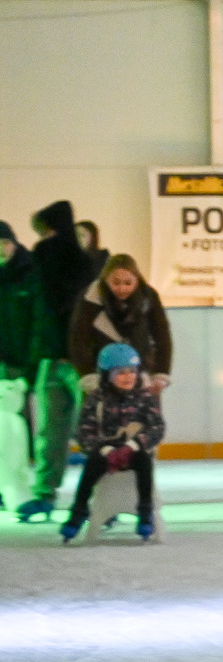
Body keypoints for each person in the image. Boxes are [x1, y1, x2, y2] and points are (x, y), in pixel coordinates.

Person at [19, 201, 97, 521]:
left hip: (80, 362)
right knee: (50, 433)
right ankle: (44, 494)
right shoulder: (43, 264)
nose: (43, 239)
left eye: (47, 232)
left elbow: (68, 307)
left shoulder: (81, 266)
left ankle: (99, 496)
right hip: (50, 359)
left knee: (91, 432)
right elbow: (36, 316)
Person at [60, 341, 164, 544]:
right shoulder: (97, 399)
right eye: (121, 373)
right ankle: (79, 509)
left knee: (144, 462)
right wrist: (104, 449)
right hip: (105, 452)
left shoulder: (144, 397)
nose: (128, 377)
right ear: (107, 375)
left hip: (135, 451)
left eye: (132, 372)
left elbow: (157, 426)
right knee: (91, 465)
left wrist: (134, 445)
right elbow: (84, 431)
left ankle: (145, 509)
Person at [70, 254, 172, 392]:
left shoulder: (148, 297)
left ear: (137, 280)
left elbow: (162, 336)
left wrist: (161, 374)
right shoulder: (91, 299)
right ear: (106, 279)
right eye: (116, 283)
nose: (122, 289)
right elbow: (79, 339)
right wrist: (87, 374)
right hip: (102, 375)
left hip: (141, 373)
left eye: (128, 283)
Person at [0, 221, 38, 511]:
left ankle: (17, 482)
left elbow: (36, 321)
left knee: (17, 428)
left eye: (5, 242)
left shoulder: (28, 272)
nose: (2, 249)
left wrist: (30, 361)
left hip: (17, 360)